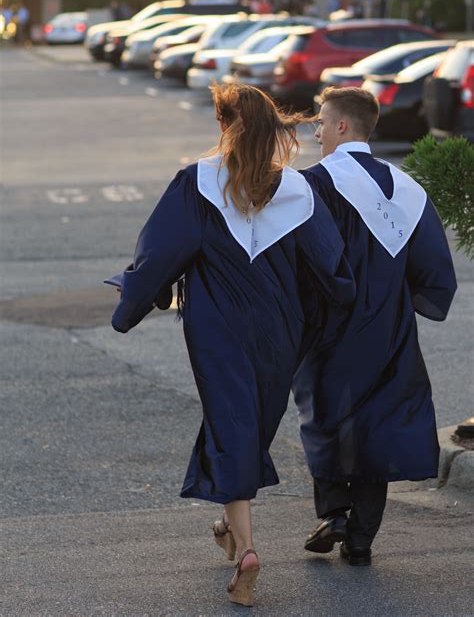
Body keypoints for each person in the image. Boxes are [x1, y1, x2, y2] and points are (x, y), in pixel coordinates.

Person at [111, 83, 355, 607]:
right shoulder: (298, 191)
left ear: (224, 126)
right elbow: (332, 271)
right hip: (280, 329)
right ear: (272, 130)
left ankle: (246, 548)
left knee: (231, 421)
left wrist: (130, 301)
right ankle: (228, 522)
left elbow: (159, 255)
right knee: (250, 421)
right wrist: (331, 321)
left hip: (217, 325)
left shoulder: (196, 183)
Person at [293, 86, 457, 567]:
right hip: (390, 330)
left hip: (330, 328)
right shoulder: (407, 189)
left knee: (325, 419)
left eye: (321, 121)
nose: (316, 130)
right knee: (378, 426)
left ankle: (335, 513)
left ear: (343, 126)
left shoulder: (314, 185)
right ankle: (360, 539)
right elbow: (432, 271)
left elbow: (298, 260)